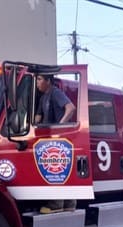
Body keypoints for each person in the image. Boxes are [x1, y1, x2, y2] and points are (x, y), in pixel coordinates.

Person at [34, 74, 77, 214]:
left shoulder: (56, 93)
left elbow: (70, 108)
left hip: (59, 140)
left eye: (39, 79)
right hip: (47, 139)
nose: (37, 83)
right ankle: (69, 203)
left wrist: (60, 127)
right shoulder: (42, 98)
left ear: (48, 81)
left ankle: (57, 203)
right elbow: (38, 119)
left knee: (56, 169)